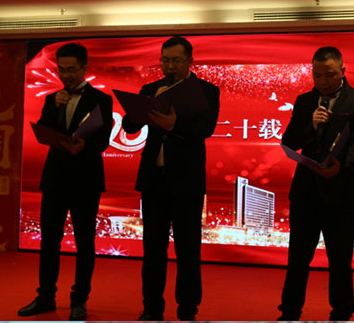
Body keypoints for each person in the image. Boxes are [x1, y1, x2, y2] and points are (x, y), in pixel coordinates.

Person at [122, 36, 220, 321]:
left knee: (188, 251)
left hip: (187, 182)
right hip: (154, 180)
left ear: (190, 61)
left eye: (176, 61)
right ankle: (152, 308)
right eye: (165, 60)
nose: (170, 66)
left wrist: (174, 124)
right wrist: (149, 104)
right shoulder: (150, 89)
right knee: (153, 250)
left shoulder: (207, 91)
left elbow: (205, 129)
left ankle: (187, 311)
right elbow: (129, 126)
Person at [277, 46, 354, 321]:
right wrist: (310, 125)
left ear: (343, 71)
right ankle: (289, 312)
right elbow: (289, 141)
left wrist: (341, 167)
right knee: (297, 258)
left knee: (340, 259)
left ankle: (342, 314)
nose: (323, 81)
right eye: (317, 75)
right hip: (305, 191)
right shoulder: (304, 101)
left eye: (330, 74)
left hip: (341, 191)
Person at [18, 42, 113, 321]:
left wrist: (84, 146)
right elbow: (43, 131)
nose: (66, 75)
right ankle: (45, 296)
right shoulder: (52, 98)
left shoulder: (101, 99)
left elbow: (103, 139)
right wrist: (55, 109)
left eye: (71, 69)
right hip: (55, 177)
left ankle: (79, 300)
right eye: (61, 69)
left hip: (86, 178)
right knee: (49, 240)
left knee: (85, 242)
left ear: (84, 68)